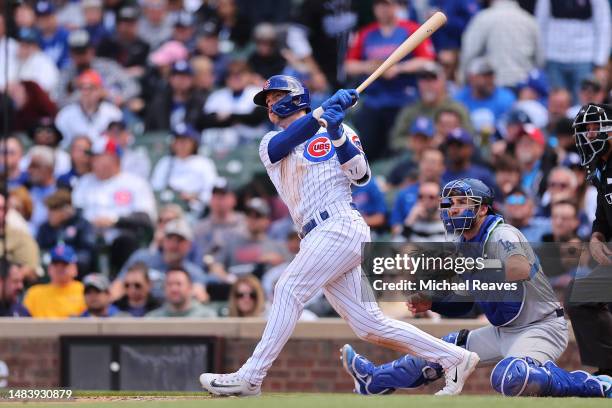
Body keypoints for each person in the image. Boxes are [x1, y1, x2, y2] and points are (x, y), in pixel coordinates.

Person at [199, 75, 480, 397]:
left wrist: (334, 132)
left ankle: (251, 376)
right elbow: (284, 144)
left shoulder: (340, 129)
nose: (269, 105)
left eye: (274, 97)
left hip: (339, 224)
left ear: (294, 97)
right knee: (370, 325)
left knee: (288, 288)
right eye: (266, 100)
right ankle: (455, 357)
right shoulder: (270, 142)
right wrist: (320, 115)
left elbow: (361, 176)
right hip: (316, 234)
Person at [340, 178, 612, 398]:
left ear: (483, 209)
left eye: (463, 202)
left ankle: (598, 386)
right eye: (451, 203)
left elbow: (518, 269)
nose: (454, 208)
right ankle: (373, 380)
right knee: (441, 351)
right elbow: (468, 303)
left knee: (510, 377)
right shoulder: (464, 245)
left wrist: (473, 273)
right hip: (502, 329)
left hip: (541, 326)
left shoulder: (502, 233)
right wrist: (433, 302)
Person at [345, 0, 436, 161]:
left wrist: (398, 68)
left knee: (396, 149)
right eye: (379, 5)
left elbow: (427, 60)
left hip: (403, 100)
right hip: (374, 100)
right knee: (367, 149)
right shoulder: (366, 33)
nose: (383, 9)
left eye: (387, 4)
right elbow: (349, 65)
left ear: (395, 6)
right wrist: (370, 66)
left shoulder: (410, 29)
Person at [566, 103, 612, 378]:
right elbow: (603, 216)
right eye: (586, 130)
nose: (590, 135)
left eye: (596, 128)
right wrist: (596, 237)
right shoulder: (600, 168)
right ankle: (608, 370)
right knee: (578, 297)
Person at [150, 123, 218, 213]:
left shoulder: (204, 162)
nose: (180, 144)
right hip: (169, 205)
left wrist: (195, 196)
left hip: (193, 207)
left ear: (193, 142)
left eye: (184, 140)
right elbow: (156, 187)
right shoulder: (165, 162)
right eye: (177, 140)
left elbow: (211, 190)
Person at [37, 189, 97, 278]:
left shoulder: (82, 225)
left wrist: (67, 260)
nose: (48, 215)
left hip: (76, 272)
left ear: (66, 210)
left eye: (53, 210)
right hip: (51, 270)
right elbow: (40, 251)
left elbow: (87, 254)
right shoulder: (45, 228)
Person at [23, 244, 86, 318]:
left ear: (75, 268)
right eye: (55, 263)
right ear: (49, 268)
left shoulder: (84, 291)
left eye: (65, 264)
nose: (59, 268)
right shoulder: (34, 293)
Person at [146, 268, 217, 318]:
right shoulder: (153, 318)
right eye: (169, 284)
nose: (174, 289)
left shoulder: (206, 317)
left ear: (190, 288)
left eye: (178, 284)